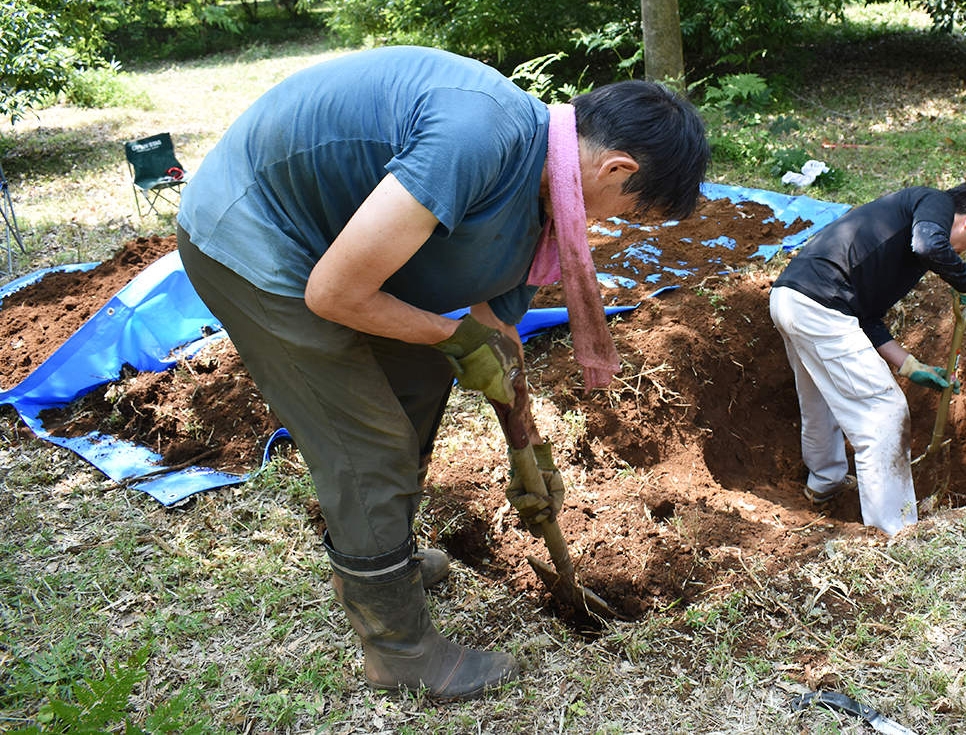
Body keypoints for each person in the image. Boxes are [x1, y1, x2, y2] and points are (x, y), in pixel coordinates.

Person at [175, 45, 709, 700]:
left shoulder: (544, 204)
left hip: (333, 252)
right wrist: (450, 333)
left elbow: (495, 334)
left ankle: (379, 566)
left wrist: (525, 446)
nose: (614, 226)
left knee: (419, 382)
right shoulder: (479, 136)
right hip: (257, 233)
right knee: (369, 442)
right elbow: (334, 295)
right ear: (616, 167)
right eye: (629, 210)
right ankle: (397, 650)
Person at [769, 181, 966, 536]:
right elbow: (930, 245)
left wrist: (909, 365)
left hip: (792, 299)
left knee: (820, 401)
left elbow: (867, 317)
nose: (960, 255)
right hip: (820, 305)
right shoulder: (933, 202)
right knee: (885, 412)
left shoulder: (905, 245)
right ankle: (895, 532)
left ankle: (824, 484)